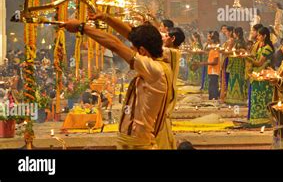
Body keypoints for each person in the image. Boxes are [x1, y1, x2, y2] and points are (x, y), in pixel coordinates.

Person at [61, 18, 174, 149]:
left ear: (142, 51)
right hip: (133, 141)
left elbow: (115, 46)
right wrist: (105, 16)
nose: (131, 52)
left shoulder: (154, 70)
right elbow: (130, 34)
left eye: (134, 50)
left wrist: (82, 28)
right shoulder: (162, 58)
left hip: (138, 144)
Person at [246, 27, 274, 126]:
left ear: (264, 36)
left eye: (259, 35)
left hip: (264, 76)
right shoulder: (261, 47)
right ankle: (256, 119)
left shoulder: (267, 48)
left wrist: (247, 58)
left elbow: (259, 63)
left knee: (263, 98)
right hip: (257, 76)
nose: (257, 37)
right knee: (256, 98)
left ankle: (264, 120)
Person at [225, 27, 248, 105]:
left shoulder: (241, 42)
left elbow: (245, 51)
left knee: (239, 79)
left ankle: (239, 98)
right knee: (233, 78)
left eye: (234, 33)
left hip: (239, 63)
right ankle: (232, 97)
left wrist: (237, 51)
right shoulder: (236, 41)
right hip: (234, 63)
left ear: (237, 33)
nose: (233, 34)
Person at [196, 31, 220, 100]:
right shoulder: (212, 50)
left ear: (213, 41)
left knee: (213, 85)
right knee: (211, 85)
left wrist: (204, 63)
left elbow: (215, 62)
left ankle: (214, 98)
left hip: (214, 70)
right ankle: (211, 98)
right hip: (211, 70)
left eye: (210, 41)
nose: (208, 42)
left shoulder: (215, 50)